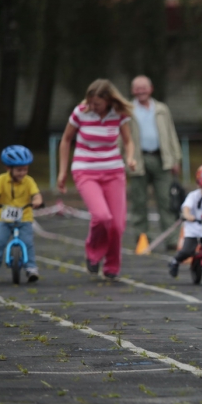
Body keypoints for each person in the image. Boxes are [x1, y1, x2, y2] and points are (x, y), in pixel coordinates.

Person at [57, 79, 136, 280]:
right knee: (102, 217)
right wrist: (62, 171)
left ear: (108, 100)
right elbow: (66, 140)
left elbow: (128, 141)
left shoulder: (118, 114)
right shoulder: (81, 112)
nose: (93, 106)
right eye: (90, 102)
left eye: (97, 104)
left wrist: (130, 158)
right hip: (85, 171)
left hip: (113, 172)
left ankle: (111, 266)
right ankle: (93, 253)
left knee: (117, 225)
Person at [127, 75, 182, 251]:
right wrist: (125, 159)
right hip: (138, 159)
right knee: (139, 201)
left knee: (166, 200)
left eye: (144, 87)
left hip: (161, 159)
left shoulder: (161, 109)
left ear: (151, 89)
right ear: (132, 91)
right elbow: (122, 138)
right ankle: (142, 238)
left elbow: (171, 133)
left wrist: (175, 158)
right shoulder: (127, 110)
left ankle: (171, 238)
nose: (141, 91)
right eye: (137, 88)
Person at [0, 146, 44, 282]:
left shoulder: (29, 181)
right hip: (4, 219)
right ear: (8, 168)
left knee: (28, 243)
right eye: (19, 170)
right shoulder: (1, 180)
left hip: (25, 217)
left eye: (25, 169)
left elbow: (36, 194)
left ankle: (31, 268)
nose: (22, 173)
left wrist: (37, 201)